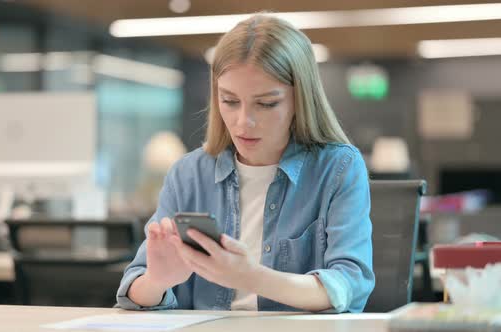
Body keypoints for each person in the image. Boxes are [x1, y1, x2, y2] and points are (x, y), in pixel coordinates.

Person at [116, 14, 375, 313]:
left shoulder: (338, 167)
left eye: (266, 104)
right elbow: (134, 287)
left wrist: (252, 277)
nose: (243, 122)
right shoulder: (189, 174)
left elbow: (349, 286)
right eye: (229, 101)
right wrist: (157, 281)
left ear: (300, 100)